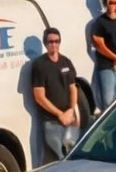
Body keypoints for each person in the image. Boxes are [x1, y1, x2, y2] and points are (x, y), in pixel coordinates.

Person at [30, 29, 81, 164]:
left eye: (57, 41)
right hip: (51, 122)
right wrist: (59, 114)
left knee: (73, 157)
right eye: (50, 42)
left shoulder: (66, 62)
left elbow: (73, 88)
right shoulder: (39, 65)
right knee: (57, 160)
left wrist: (71, 110)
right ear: (45, 43)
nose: (54, 44)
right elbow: (39, 96)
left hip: (69, 119)